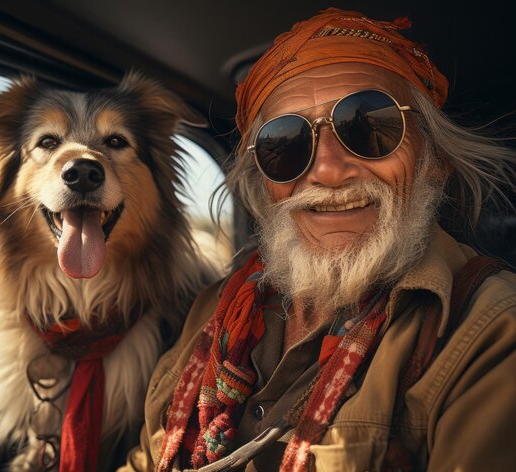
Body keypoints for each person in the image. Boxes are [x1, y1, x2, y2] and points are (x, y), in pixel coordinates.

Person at [120, 8, 516, 472]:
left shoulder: (489, 335)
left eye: (369, 127)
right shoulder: (217, 309)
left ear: (434, 157)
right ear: (265, 188)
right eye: (285, 145)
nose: (327, 170)